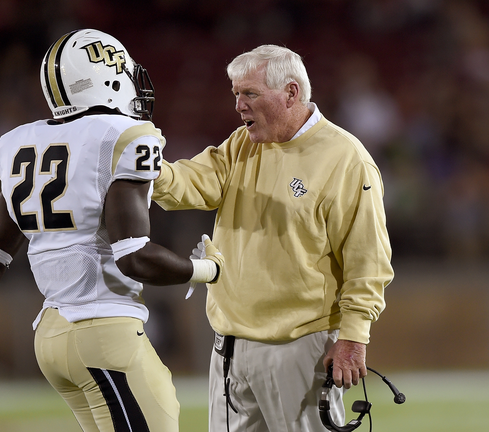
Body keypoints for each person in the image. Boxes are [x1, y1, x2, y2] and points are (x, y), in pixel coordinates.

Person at [0, 29, 224, 432]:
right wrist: (208, 270)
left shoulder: (20, 144)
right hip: (104, 333)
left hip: (50, 339)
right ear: (105, 78)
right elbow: (134, 255)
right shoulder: (124, 136)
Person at [151, 44, 394, 431]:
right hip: (229, 345)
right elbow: (190, 184)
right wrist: (149, 168)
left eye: (250, 94)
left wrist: (353, 337)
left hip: (300, 348)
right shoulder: (242, 144)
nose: (239, 106)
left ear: (291, 93)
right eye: (236, 95)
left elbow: (369, 260)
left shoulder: (345, 158)